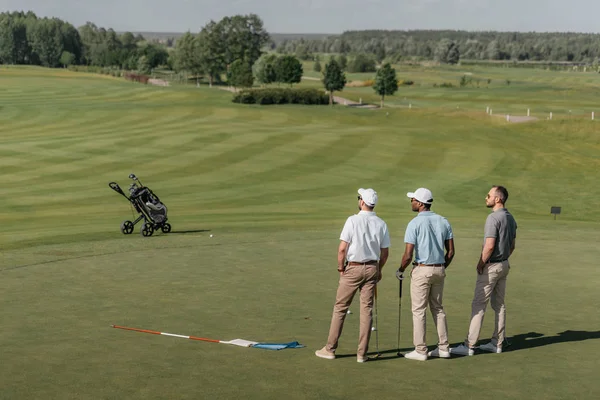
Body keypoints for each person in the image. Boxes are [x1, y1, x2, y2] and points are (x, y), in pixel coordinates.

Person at [315, 188, 390, 363]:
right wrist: (379, 270)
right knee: (366, 310)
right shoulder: (381, 223)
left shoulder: (352, 220)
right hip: (372, 267)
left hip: (353, 268)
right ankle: (362, 354)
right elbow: (385, 253)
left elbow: (342, 249)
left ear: (362, 202)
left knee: (340, 307)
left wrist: (341, 269)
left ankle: (330, 349)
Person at [450, 185, 517, 356]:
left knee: (479, 305)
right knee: (499, 305)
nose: (485, 198)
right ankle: (498, 342)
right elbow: (512, 246)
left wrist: (481, 263)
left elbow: (489, 245)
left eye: (489, 195)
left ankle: (470, 345)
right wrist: (503, 258)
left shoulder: (493, 218)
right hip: (504, 265)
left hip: (491, 266)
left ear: (497, 199)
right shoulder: (510, 218)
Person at [398, 187, 455, 361]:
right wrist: (441, 267)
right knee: (438, 309)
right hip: (439, 269)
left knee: (418, 310)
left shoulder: (414, 223)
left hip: (422, 270)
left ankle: (421, 350)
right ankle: (444, 348)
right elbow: (451, 252)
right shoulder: (443, 221)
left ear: (421, 203)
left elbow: (408, 254)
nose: (411, 202)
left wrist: (400, 269)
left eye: (413, 200)